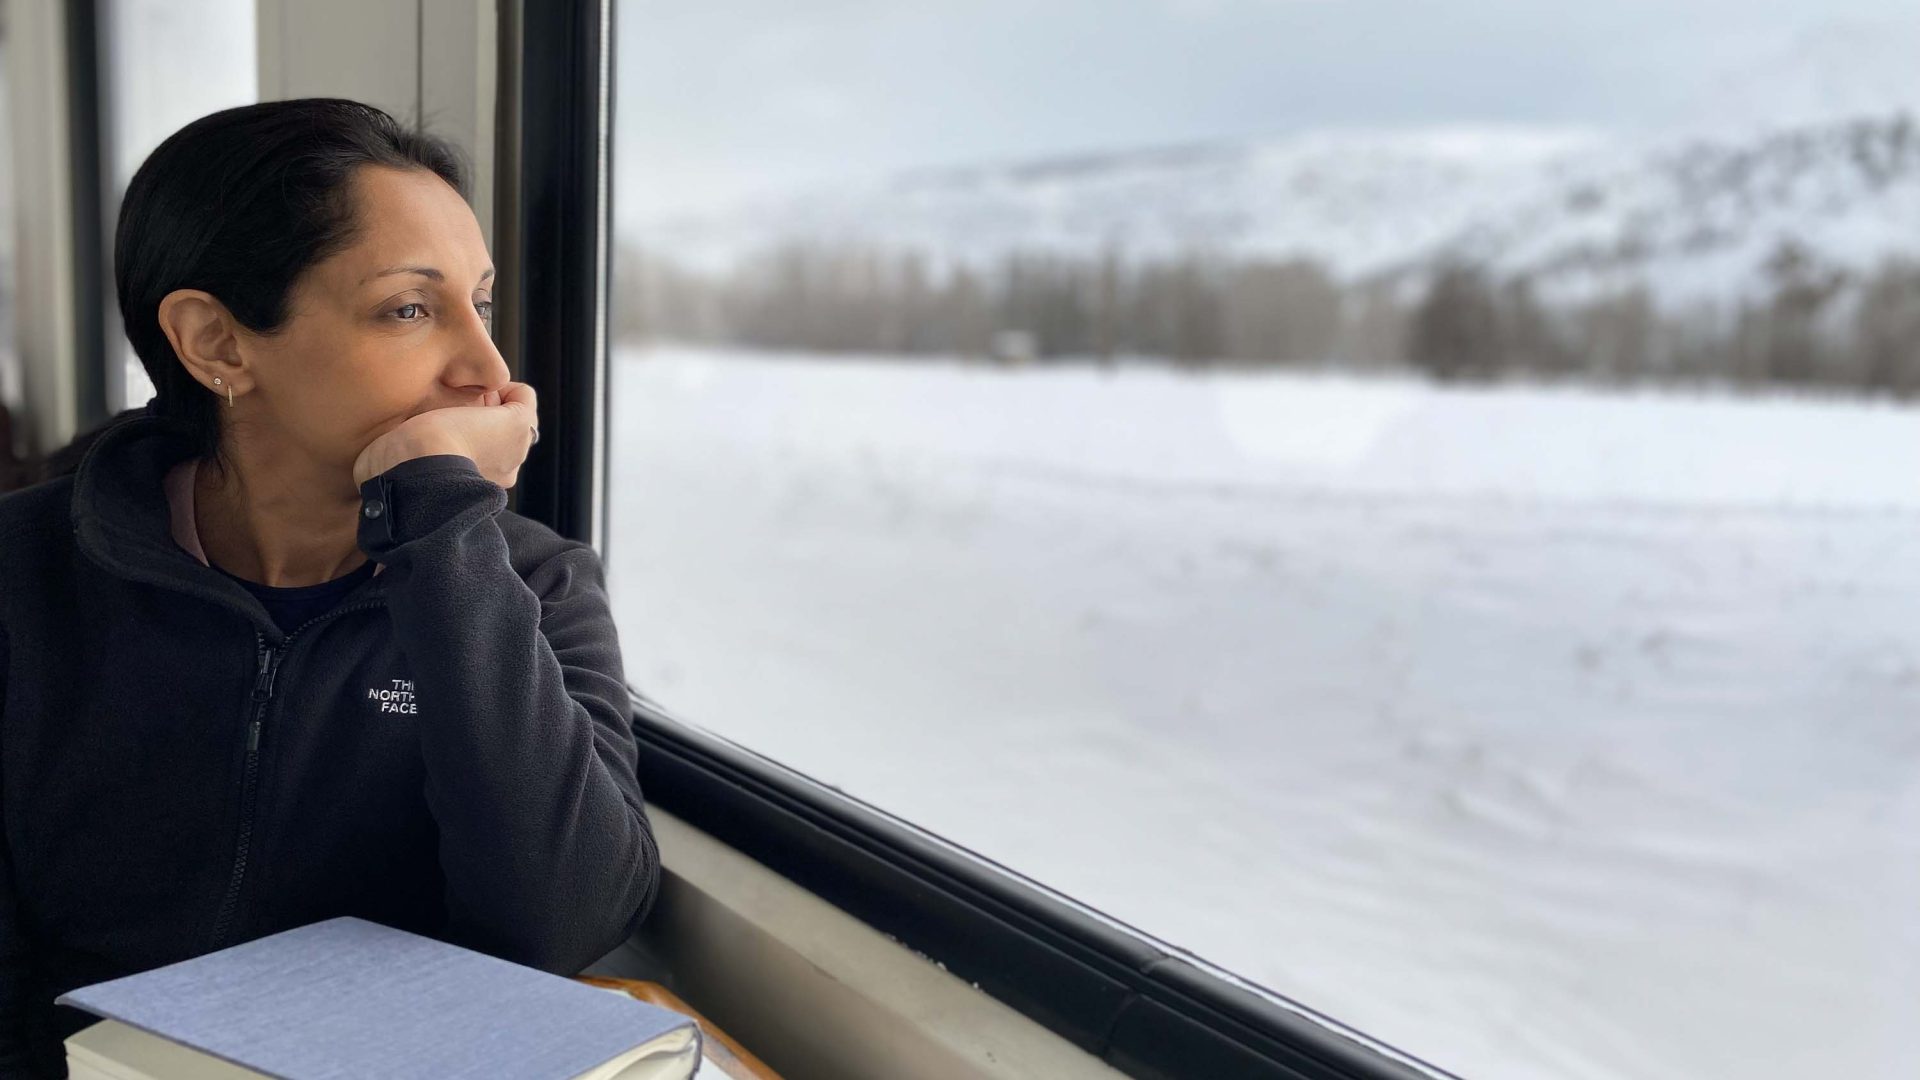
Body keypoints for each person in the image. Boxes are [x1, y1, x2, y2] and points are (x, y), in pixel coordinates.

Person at [0, 99, 661, 1077]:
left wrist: (441, 531)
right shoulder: (24, 573)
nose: (490, 371)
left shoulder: (529, 582)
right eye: (408, 308)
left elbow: (564, 923)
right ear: (218, 345)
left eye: (478, 304)